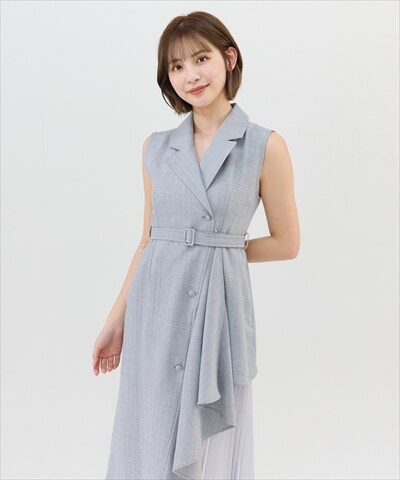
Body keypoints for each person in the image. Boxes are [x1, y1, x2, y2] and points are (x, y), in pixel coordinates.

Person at [92, 10, 300, 480]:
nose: (191, 75)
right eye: (177, 66)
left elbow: (287, 243)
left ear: (229, 58)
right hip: (155, 308)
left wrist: (217, 250)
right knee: (146, 435)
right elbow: (147, 241)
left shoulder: (264, 146)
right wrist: (115, 321)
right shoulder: (155, 148)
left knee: (208, 439)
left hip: (218, 308)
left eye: (201, 59)